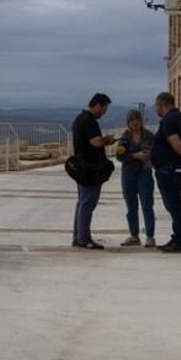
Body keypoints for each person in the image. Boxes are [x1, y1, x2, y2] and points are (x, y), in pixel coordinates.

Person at [152, 91, 181, 253]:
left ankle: (180, 240)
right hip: (174, 168)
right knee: (174, 204)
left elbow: (176, 142)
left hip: (170, 169)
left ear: (161, 105)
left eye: (156, 106)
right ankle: (178, 237)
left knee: (174, 205)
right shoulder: (180, 118)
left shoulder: (168, 120)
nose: (155, 109)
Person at [70, 93, 112, 249]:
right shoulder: (90, 122)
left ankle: (78, 237)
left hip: (81, 167)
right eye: (105, 109)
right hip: (90, 169)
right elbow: (95, 142)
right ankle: (84, 239)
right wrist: (107, 140)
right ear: (97, 106)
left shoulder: (79, 119)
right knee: (87, 203)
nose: (105, 113)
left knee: (82, 203)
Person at [114, 108, 157, 248]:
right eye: (131, 120)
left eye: (136, 119)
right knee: (131, 205)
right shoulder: (125, 137)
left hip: (144, 173)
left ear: (141, 121)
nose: (134, 123)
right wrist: (134, 155)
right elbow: (119, 156)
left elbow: (157, 152)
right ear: (128, 123)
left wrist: (150, 160)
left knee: (147, 204)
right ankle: (134, 236)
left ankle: (150, 236)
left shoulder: (149, 136)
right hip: (128, 173)